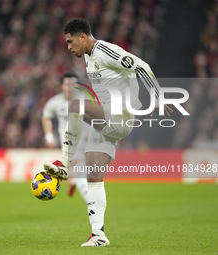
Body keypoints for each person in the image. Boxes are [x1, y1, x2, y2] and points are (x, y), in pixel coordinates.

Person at [44, 18, 172, 247]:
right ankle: (98, 235)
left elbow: (141, 66)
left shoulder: (105, 51)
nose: (69, 47)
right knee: (93, 177)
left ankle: (63, 162)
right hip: (106, 124)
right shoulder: (88, 57)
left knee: (75, 105)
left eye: (71, 42)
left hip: (120, 115)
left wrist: (158, 97)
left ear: (83, 36)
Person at [42, 73, 89, 202]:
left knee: (86, 171)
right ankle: (92, 204)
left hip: (88, 141)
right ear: (62, 86)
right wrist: (49, 136)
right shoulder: (55, 102)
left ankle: (73, 180)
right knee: (80, 168)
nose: (70, 88)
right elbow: (46, 117)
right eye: (67, 85)